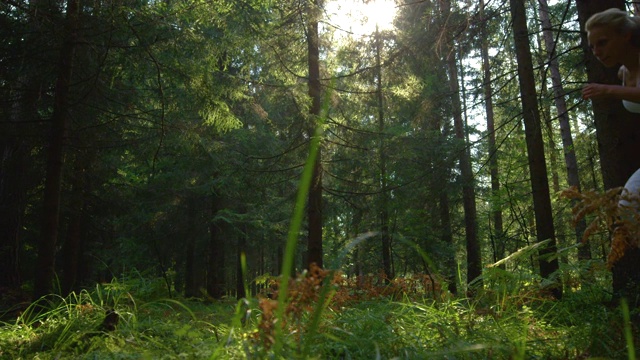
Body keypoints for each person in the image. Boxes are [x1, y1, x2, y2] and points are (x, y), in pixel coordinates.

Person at [582, 7, 640, 210]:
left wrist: (608, 90)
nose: (597, 52)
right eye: (592, 47)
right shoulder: (622, 74)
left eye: (603, 43)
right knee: (628, 208)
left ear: (625, 36)